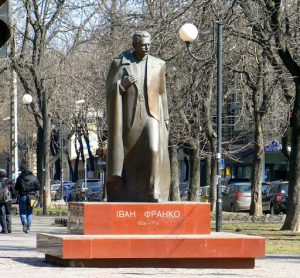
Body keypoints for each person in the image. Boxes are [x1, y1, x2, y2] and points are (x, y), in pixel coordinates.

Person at [106, 31, 170, 202]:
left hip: (153, 114)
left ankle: (154, 190)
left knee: (154, 148)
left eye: (149, 44)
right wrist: (122, 85)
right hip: (130, 116)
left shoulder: (159, 64)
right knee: (128, 155)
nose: (147, 47)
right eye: (143, 45)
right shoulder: (119, 64)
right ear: (134, 45)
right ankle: (126, 190)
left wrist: (166, 117)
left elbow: (162, 93)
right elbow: (110, 91)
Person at [15, 164, 40, 233]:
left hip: (22, 196)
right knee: (29, 212)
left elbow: (16, 187)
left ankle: (24, 222)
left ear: (22, 170)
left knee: (22, 211)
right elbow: (38, 187)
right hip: (32, 197)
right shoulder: (33, 177)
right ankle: (28, 228)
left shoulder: (19, 177)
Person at [0, 169, 14, 234]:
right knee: (8, 213)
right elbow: (13, 191)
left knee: (2, 214)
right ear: (5, 174)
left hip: (0, 200)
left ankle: (4, 229)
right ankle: (9, 228)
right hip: (8, 199)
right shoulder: (9, 181)